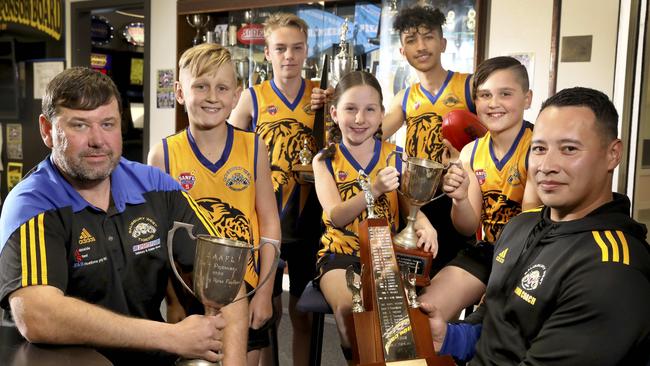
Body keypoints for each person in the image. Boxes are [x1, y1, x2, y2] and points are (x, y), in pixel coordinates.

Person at [0, 67, 245, 365]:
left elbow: (226, 276)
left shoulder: (157, 187)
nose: (97, 140)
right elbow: (37, 315)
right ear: (47, 130)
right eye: (79, 125)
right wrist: (170, 337)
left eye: (108, 124)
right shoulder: (33, 203)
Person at [422, 87, 650, 365]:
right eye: (539, 148)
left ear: (613, 154)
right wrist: (449, 338)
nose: (547, 165)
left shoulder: (611, 271)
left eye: (569, 149)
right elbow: (500, 323)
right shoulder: (520, 226)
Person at [312, 6, 476, 277]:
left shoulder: (468, 86)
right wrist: (344, 103)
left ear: (443, 42)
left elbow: (490, 130)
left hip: (455, 194)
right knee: (419, 284)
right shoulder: (404, 97)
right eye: (411, 40)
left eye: (428, 37)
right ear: (402, 51)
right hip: (417, 199)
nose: (421, 46)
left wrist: (465, 161)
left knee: (443, 280)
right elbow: (369, 132)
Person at [148, 43, 280, 366]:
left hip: (246, 286)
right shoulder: (163, 155)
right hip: (187, 289)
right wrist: (172, 300)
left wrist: (264, 292)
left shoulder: (253, 148)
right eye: (201, 86)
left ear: (236, 96)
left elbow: (269, 222)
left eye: (222, 88)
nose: (212, 96)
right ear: (180, 92)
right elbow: (157, 237)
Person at [313, 71, 438, 361]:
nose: (360, 119)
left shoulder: (396, 155)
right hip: (339, 255)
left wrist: (426, 225)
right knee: (351, 312)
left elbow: (411, 206)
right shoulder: (324, 160)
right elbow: (337, 216)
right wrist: (374, 188)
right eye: (350, 109)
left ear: (382, 114)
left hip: (387, 256)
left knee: (403, 323)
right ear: (334, 113)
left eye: (370, 110)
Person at [229, 12, 323, 366]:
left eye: (296, 48)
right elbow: (231, 146)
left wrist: (329, 111)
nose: (289, 56)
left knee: (304, 313)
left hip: (309, 220)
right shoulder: (252, 97)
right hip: (265, 220)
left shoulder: (321, 94)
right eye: (280, 48)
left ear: (306, 51)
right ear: (267, 52)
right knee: (267, 311)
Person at [418, 56, 540, 320]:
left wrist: (500, 282)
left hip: (530, 254)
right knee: (425, 312)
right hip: (487, 251)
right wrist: (460, 199)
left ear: (527, 98)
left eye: (505, 94)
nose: (493, 103)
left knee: (495, 320)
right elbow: (466, 226)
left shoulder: (538, 148)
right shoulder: (471, 152)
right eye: (485, 95)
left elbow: (531, 221)